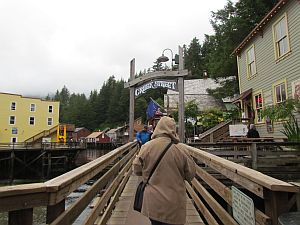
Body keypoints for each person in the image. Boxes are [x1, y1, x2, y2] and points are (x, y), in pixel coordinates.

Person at [133, 116, 196, 225]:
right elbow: (190, 175)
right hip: (175, 203)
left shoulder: (146, 147)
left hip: (153, 202)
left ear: (158, 128)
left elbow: (136, 169)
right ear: (173, 130)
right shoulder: (181, 149)